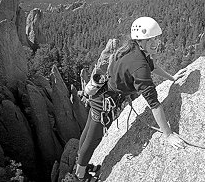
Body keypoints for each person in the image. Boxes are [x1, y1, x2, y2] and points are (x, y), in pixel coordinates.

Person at [74, 16, 187, 181]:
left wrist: (172, 78)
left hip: (102, 95)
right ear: (140, 40)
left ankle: (80, 162)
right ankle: (80, 175)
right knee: (93, 138)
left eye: (156, 38)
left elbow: (152, 66)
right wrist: (168, 134)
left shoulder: (134, 49)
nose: (156, 42)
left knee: (89, 131)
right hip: (103, 103)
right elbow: (154, 104)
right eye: (151, 39)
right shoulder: (139, 64)